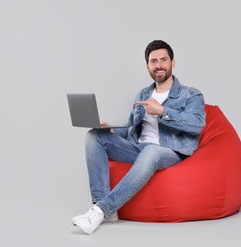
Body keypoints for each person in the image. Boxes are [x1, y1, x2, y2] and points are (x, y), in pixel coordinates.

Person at [71, 40, 206, 234]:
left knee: (152, 150)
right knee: (94, 136)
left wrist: (162, 111)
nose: (158, 65)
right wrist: (112, 131)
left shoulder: (190, 94)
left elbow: (197, 124)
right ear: (148, 66)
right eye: (153, 61)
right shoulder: (144, 93)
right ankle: (101, 203)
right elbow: (130, 130)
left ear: (172, 63)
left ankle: (101, 210)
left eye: (163, 60)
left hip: (170, 152)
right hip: (140, 150)